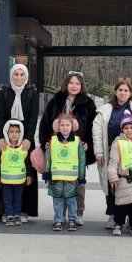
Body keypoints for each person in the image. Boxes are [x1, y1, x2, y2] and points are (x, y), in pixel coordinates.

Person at [92, 77, 132, 230]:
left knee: (130, 185)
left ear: (130, 92)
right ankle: (113, 215)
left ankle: (130, 217)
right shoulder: (106, 109)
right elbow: (97, 131)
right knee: (112, 183)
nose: (122, 92)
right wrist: (99, 152)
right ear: (115, 91)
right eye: (120, 90)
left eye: (126, 90)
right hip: (112, 154)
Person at [37, 72, 97, 222]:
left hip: (77, 150)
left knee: (78, 182)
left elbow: (92, 127)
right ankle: (60, 214)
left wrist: (87, 142)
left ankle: (78, 213)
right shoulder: (55, 101)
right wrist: (46, 141)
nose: (74, 86)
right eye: (71, 83)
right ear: (66, 84)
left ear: (81, 86)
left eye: (77, 83)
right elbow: (44, 124)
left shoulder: (88, 103)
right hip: (58, 149)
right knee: (58, 182)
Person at [0, 63, 40, 222]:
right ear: (11, 76)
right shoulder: (4, 92)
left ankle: (24, 210)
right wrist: (0, 138)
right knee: (4, 173)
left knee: (25, 175)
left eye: (22, 75)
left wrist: (29, 138)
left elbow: (33, 118)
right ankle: (4, 211)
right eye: (16, 74)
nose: (19, 78)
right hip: (6, 136)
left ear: (26, 77)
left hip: (25, 138)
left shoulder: (32, 93)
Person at [44, 113, 85, 232]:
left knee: (72, 200)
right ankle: (58, 219)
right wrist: (47, 171)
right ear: (58, 127)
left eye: (67, 125)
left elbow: (81, 158)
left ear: (72, 127)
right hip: (56, 178)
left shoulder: (77, 141)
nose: (65, 127)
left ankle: (72, 219)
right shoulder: (53, 141)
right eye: (62, 125)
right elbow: (48, 156)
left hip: (71, 179)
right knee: (57, 200)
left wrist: (81, 175)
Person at [0, 120, 32, 227]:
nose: (14, 134)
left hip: (19, 180)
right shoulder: (2, 147)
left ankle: (17, 214)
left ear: (20, 133)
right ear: (6, 133)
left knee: (17, 198)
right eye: (11, 131)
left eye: (17, 131)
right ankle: (9, 215)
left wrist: (29, 175)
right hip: (6, 179)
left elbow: (27, 162)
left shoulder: (24, 147)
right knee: (7, 198)